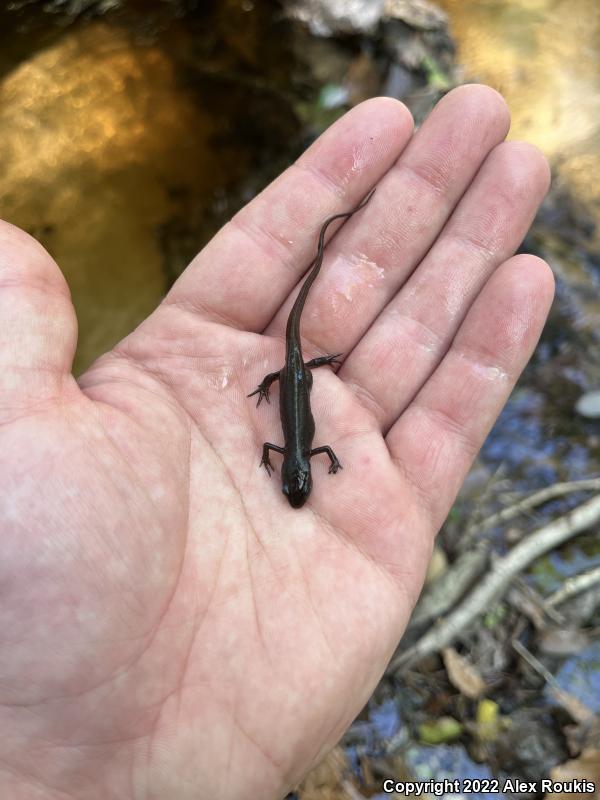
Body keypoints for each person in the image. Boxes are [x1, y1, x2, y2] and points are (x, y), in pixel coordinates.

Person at [0, 85, 553, 799]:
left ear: (296, 478)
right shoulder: (294, 459)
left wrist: (287, 388)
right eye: (302, 478)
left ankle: (314, 292)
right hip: (293, 374)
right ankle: (307, 308)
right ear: (299, 478)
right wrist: (277, 392)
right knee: (298, 349)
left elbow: (291, 450)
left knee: (300, 349)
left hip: (297, 372)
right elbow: (293, 450)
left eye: (298, 479)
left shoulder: (295, 458)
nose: (299, 477)